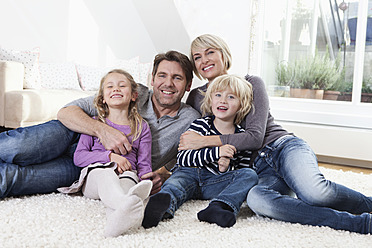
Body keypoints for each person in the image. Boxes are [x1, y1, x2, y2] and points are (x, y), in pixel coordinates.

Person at [180, 34, 372, 234]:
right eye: (197, 57)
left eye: (210, 52)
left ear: (224, 55)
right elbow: (187, 134)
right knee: (257, 200)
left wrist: (203, 141)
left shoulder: (251, 82)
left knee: (315, 193)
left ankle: (368, 204)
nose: (205, 60)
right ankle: (360, 224)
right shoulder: (196, 97)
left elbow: (254, 137)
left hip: (283, 147)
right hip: (255, 169)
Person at [0, 50, 200, 199]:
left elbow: (186, 162)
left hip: (90, 168)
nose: (168, 84)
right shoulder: (133, 92)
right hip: (74, 134)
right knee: (14, 147)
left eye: (177, 78)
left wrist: (162, 176)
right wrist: (102, 130)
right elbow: (66, 112)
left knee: (15, 178)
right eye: (162, 76)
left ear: (188, 86)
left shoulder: (190, 120)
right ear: (152, 79)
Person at [142, 74, 258, 229]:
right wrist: (216, 153)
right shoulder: (200, 125)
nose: (223, 100)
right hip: (189, 173)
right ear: (210, 101)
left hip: (215, 182)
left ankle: (219, 207)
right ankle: (161, 208)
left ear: (241, 105)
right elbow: (183, 159)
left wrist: (226, 167)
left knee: (249, 175)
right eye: (218, 95)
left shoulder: (240, 136)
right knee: (175, 184)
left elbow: (241, 168)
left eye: (231, 97)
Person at [58, 69, 153, 237]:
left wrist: (146, 180)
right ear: (102, 97)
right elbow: (79, 157)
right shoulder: (95, 124)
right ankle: (127, 203)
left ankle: (114, 226)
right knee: (107, 175)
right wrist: (110, 157)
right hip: (96, 175)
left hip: (127, 174)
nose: (115, 89)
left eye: (122, 85)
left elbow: (144, 162)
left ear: (133, 95)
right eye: (110, 86)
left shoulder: (142, 127)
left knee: (128, 184)